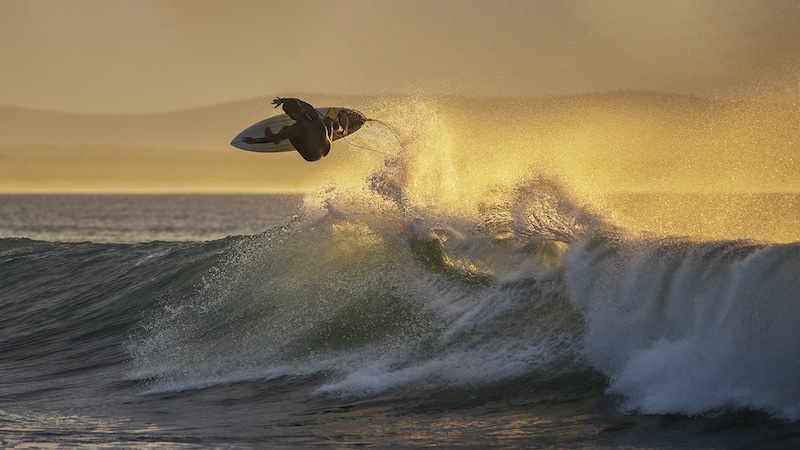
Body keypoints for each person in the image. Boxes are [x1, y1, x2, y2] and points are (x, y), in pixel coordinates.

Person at [243, 97, 345, 162]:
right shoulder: (310, 110)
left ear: (291, 114)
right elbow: (300, 102)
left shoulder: (298, 128)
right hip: (327, 148)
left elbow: (277, 136)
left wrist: (256, 140)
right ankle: (341, 129)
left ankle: (278, 142)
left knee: (286, 130)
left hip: (312, 156)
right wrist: (284, 100)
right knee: (328, 120)